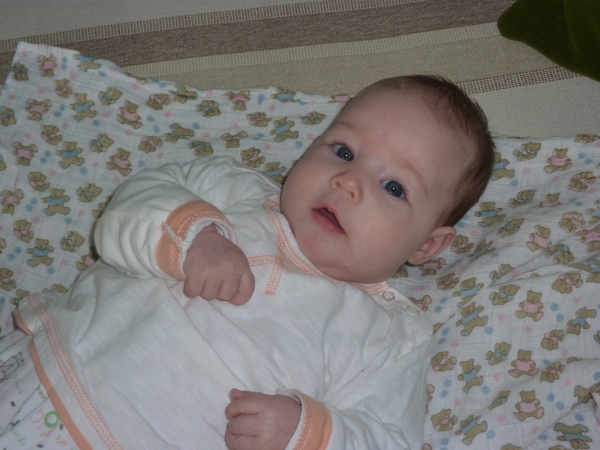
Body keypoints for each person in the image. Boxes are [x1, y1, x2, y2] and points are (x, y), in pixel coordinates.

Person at [4, 75, 494, 450]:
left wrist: (306, 431)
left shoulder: (390, 336)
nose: (348, 181)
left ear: (426, 246)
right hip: (47, 374)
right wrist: (193, 235)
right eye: (344, 151)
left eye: (393, 187)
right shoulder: (233, 189)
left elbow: (387, 438)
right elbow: (131, 202)